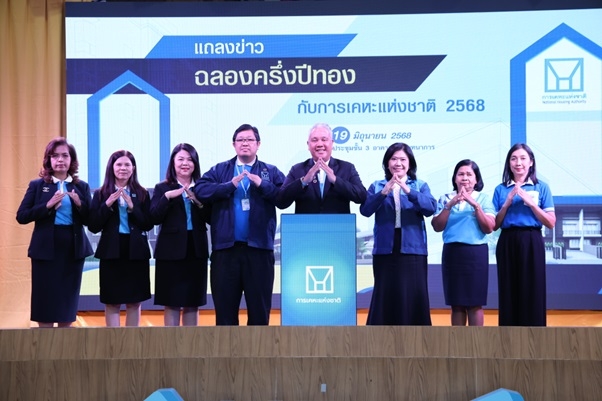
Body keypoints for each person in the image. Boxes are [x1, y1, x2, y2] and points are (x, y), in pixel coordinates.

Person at [195, 124, 285, 326]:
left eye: (250, 139)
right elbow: (200, 190)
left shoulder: (270, 171)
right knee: (225, 314)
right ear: (233, 144)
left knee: (259, 313)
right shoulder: (220, 170)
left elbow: (283, 197)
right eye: (241, 140)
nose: (245, 143)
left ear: (258, 144)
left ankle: (259, 348)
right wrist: (229, 185)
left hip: (259, 251)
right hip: (226, 251)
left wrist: (262, 185)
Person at [16, 138, 93, 328]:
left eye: (65, 155)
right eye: (55, 156)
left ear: (71, 160)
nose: (60, 160)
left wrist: (79, 204)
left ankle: (65, 345)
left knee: (67, 302)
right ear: (48, 160)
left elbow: (92, 221)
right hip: (45, 249)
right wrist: (47, 206)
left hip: (73, 249)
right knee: (45, 301)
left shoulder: (81, 187)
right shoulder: (37, 185)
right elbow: (22, 216)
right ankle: (44, 344)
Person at [359, 142, 436, 325]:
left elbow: (430, 208)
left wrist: (408, 190)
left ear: (410, 163)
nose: (398, 163)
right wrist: (384, 192)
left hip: (413, 249)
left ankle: (416, 337)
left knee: (413, 295)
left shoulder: (419, 185)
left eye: (403, 159)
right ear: (387, 163)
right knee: (385, 295)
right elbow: (365, 210)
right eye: (394, 159)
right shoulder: (377, 185)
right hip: (385, 249)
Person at [88, 150, 153, 327]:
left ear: (133, 168)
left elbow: (148, 224)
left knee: (134, 301)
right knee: (112, 301)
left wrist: (133, 207)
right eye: (119, 164)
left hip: (136, 252)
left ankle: (132, 341)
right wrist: (107, 204)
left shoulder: (142, 193)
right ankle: (113, 341)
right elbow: (93, 225)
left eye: (127, 164)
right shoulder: (101, 193)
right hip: (111, 251)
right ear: (111, 167)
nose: (123, 168)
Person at [493, 143, 555, 327]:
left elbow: (551, 222)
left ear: (531, 162)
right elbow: (494, 225)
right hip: (507, 240)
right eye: (513, 159)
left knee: (533, 288)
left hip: (532, 239)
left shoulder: (541, 187)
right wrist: (507, 202)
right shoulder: (500, 189)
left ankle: (535, 337)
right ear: (508, 163)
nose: (518, 163)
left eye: (522, 158)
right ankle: (508, 338)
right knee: (508, 289)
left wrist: (532, 203)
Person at [150, 143, 210, 326]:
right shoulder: (162, 188)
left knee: (193, 302)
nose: (185, 163)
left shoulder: (202, 187)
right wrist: (167, 197)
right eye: (181, 159)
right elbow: (154, 217)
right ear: (173, 162)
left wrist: (198, 202)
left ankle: (191, 343)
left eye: (190, 159)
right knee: (171, 302)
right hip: (170, 252)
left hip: (196, 250)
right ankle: (171, 343)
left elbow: (211, 217)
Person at [431, 159, 496, 326]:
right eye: (460, 174)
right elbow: (437, 226)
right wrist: (450, 205)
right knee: (457, 304)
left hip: (476, 254)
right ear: (455, 178)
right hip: (452, 254)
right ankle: (457, 340)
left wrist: (475, 206)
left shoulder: (483, 199)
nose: (465, 178)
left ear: (476, 179)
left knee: (475, 303)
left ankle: (477, 341)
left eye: (469, 174)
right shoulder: (445, 199)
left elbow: (489, 227)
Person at [277, 123, 366, 213]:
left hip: (338, 222)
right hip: (307, 222)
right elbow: (280, 201)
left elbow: (361, 196)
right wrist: (303, 182)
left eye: (324, 139)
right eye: (314, 140)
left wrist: (336, 180)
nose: (320, 144)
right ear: (308, 145)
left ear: (332, 143)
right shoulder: (297, 170)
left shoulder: (347, 168)